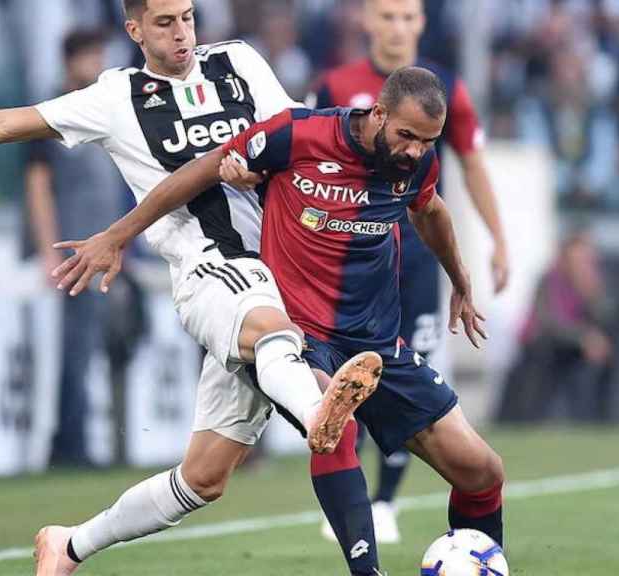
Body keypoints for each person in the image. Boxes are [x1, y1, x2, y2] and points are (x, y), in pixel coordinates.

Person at [0, 1, 381, 573]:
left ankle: (69, 544)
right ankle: (316, 410)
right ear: (133, 30)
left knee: (204, 478)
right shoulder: (112, 99)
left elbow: (299, 141)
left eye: (188, 18)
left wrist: (275, 172)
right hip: (211, 270)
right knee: (283, 348)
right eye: (164, 23)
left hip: (282, 269)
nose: (181, 33)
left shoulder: (241, 63)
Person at [56, 66, 506, 576]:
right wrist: (119, 235)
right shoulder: (299, 134)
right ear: (378, 113)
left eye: (427, 142)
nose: (414, 151)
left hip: (379, 345)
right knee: (333, 422)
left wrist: (462, 280)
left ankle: (70, 545)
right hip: (297, 335)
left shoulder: (415, 165)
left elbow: (431, 213)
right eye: (406, 136)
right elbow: (198, 172)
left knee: (481, 472)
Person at [305, 0, 509, 543]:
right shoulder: (334, 84)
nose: (397, 26)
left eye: (408, 16)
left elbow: (472, 162)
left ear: (421, 23)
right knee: (346, 378)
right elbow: (299, 156)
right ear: (367, 21)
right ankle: (352, 488)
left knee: (404, 366)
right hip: (345, 261)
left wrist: (497, 239)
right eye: (387, 16)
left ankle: (385, 501)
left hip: (413, 257)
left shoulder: (447, 89)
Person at [22, 28, 127, 466]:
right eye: (91, 55)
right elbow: (38, 183)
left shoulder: (104, 112)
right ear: (70, 61)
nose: (98, 63)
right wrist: (48, 248)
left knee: (104, 343)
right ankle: (69, 444)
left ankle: (90, 440)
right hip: (72, 251)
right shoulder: (51, 114)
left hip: (106, 248)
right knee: (75, 347)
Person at [497, 230, 616, 422]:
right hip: (542, 344)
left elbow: (604, 318)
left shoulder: (593, 282)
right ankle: (531, 418)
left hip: (573, 348)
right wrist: (584, 338)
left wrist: (592, 294)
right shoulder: (548, 280)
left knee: (604, 354)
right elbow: (549, 322)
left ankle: (594, 418)